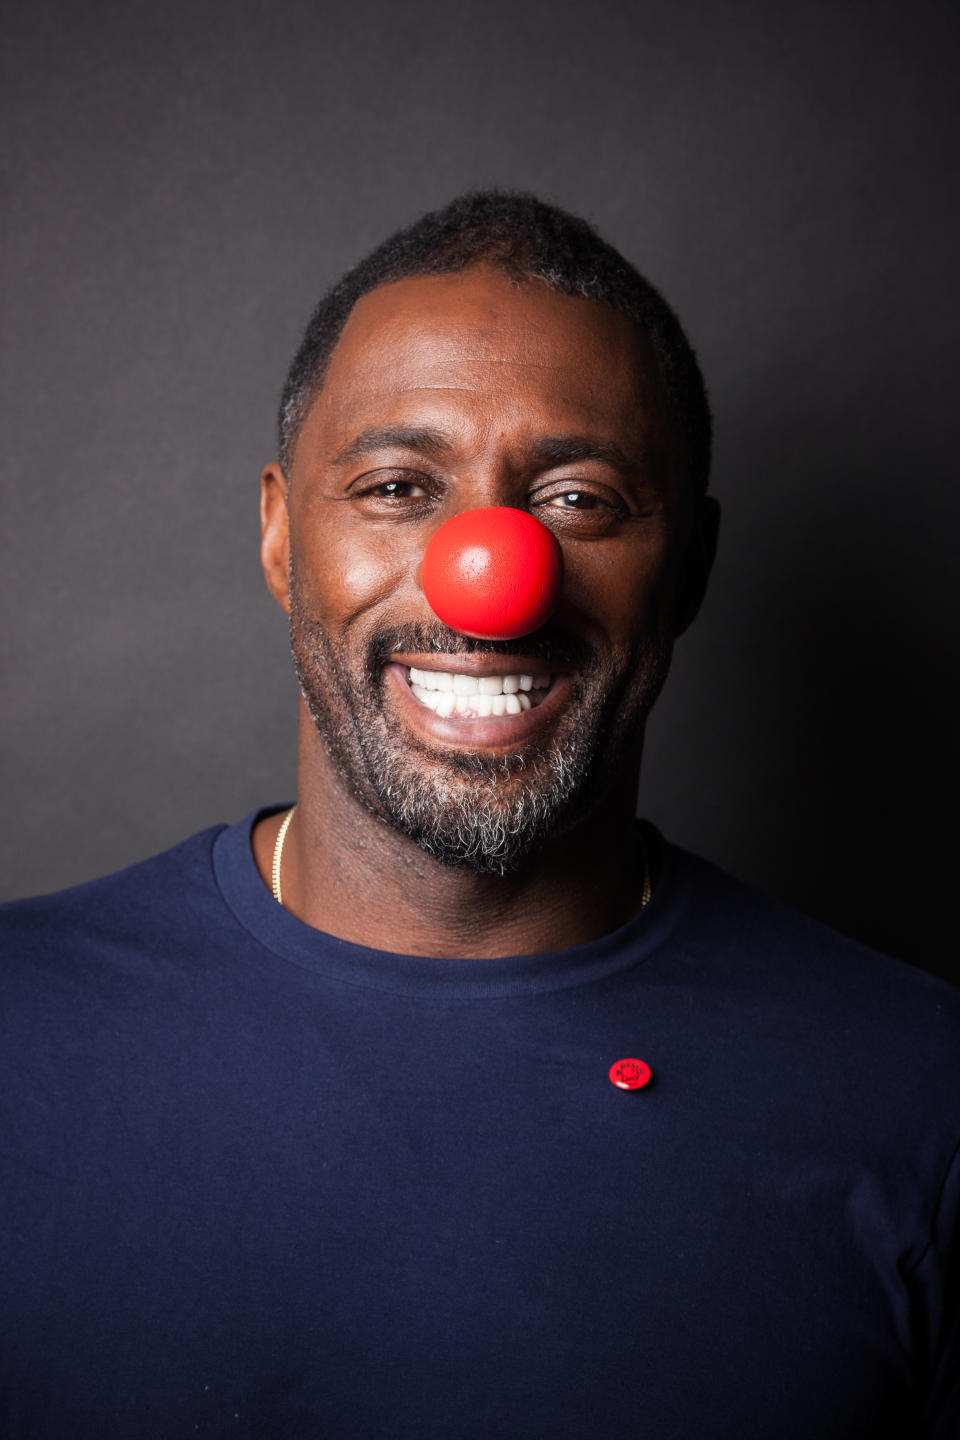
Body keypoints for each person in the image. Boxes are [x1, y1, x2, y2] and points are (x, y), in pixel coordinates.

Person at [1, 191, 957, 1439]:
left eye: (579, 500)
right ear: (285, 537)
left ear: (694, 567)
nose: (490, 576)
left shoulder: (923, 1094)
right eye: (399, 485)